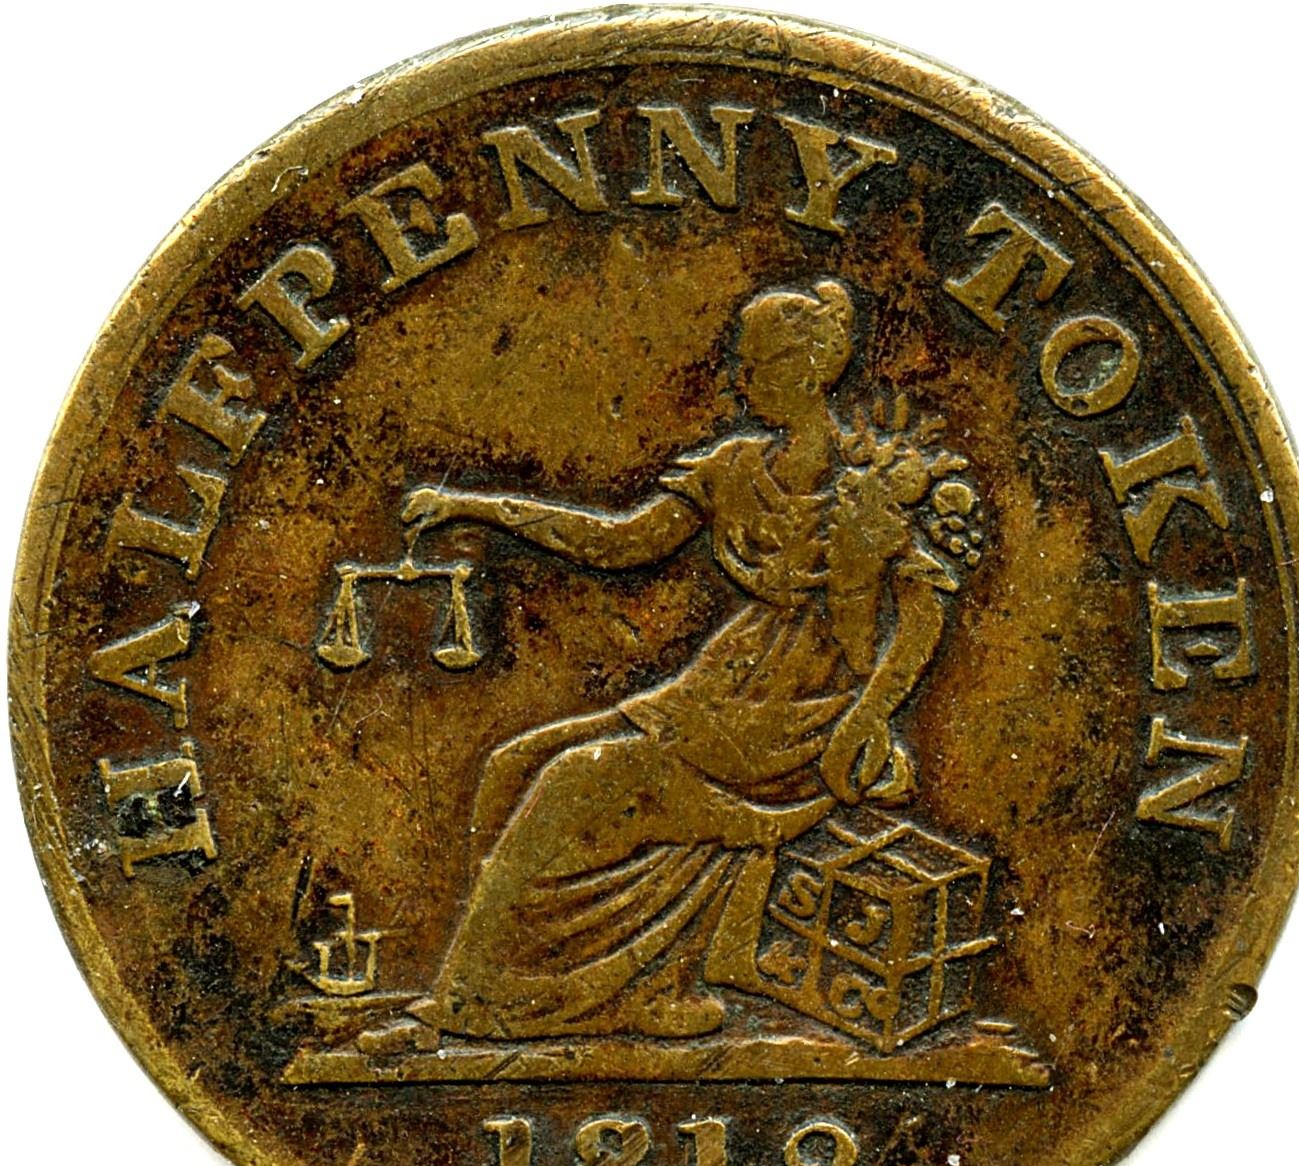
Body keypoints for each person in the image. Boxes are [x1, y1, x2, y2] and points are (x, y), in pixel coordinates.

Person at [361, 278, 981, 1052]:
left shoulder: (873, 482)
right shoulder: (732, 469)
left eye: (755, 363)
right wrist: (480, 508)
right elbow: (621, 542)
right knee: (512, 765)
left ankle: (465, 1010)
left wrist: (866, 717)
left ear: (810, 368)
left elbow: (921, 617)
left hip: (798, 725)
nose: (738, 381)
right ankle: (613, 984)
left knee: (574, 780)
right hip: (718, 696)